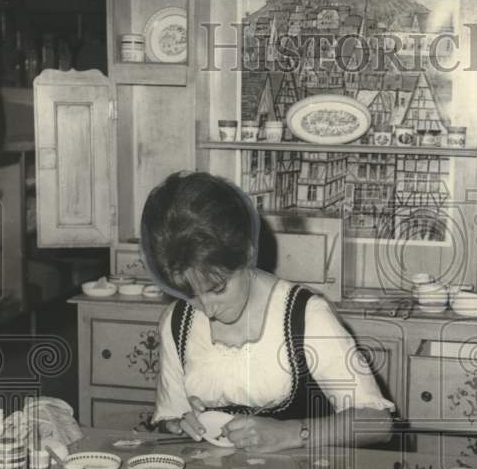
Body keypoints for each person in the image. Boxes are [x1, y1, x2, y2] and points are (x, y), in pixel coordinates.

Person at [140, 171, 394, 452]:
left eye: (218, 288)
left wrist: (292, 434)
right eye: (190, 295)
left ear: (248, 254)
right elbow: (169, 417)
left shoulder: (306, 315)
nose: (207, 310)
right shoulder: (176, 322)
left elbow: (378, 424)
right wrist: (179, 426)